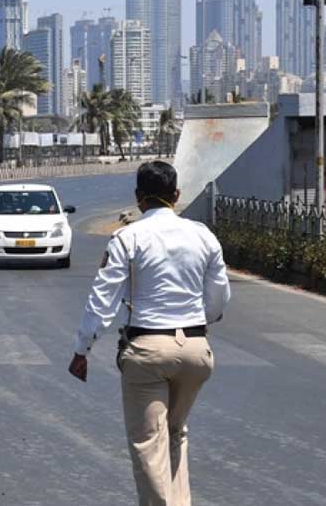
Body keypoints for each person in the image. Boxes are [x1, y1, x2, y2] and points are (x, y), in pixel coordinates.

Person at [67, 161, 231, 505]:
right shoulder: (203, 235)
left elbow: (102, 301)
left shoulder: (128, 237)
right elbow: (218, 299)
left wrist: (83, 349)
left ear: (138, 197)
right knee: (175, 433)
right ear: (176, 194)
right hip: (196, 351)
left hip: (147, 351)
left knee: (148, 443)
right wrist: (195, 325)